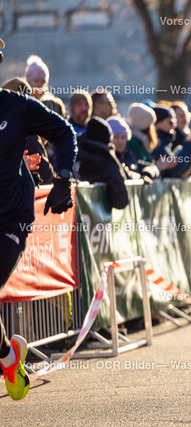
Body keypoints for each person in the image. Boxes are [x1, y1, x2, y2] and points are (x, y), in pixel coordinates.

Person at [0, 37, 78, 400]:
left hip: (10, 218)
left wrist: (63, 177)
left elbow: (64, 132)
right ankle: (8, 356)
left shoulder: (16, 106)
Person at [75, 117, 129, 209]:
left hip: (68, 215)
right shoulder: (109, 163)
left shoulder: (71, 154)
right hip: (97, 216)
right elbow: (121, 201)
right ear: (108, 139)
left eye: (123, 137)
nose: (119, 141)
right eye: (116, 137)